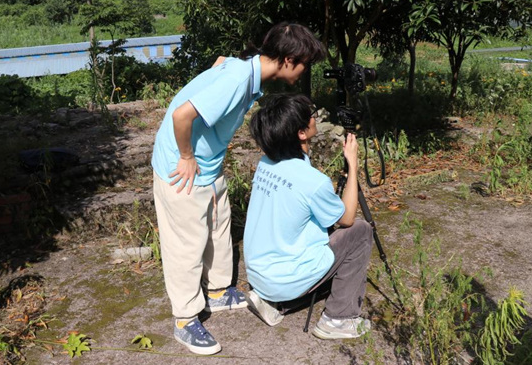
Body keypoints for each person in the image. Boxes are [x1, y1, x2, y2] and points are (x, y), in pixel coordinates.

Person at [151, 23, 326, 355]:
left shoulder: (245, 69)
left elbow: (220, 63)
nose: (306, 71)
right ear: (289, 60)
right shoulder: (237, 79)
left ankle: (217, 291)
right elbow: (181, 115)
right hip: (182, 166)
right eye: (305, 63)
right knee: (187, 245)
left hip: (209, 162)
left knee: (218, 225)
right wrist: (186, 156)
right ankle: (185, 319)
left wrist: (212, 76)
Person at [243, 93, 373, 339]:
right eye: (311, 116)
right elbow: (345, 219)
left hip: (259, 275)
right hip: (284, 278)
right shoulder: (313, 182)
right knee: (360, 231)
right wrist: (353, 165)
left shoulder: (265, 163)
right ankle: (338, 319)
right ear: (301, 133)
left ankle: (277, 304)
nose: (315, 118)